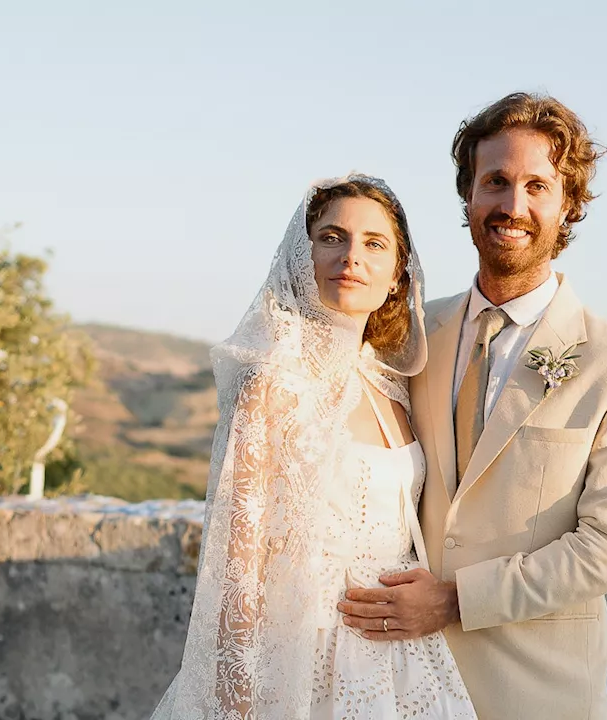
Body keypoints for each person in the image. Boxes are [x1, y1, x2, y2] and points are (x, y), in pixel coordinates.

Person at [338, 93, 607, 720]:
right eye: (495, 182)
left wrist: (457, 599)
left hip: (538, 693)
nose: (513, 206)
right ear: (468, 196)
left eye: (536, 185)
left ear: (567, 204)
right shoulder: (408, 338)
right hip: (401, 681)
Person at [151, 174, 476, 719]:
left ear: (398, 275)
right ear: (303, 258)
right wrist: (239, 701)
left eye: (375, 243)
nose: (352, 256)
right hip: (308, 648)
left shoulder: (390, 383)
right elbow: (239, 563)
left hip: (406, 655)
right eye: (331, 237)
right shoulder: (275, 381)